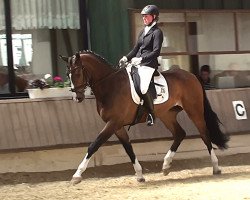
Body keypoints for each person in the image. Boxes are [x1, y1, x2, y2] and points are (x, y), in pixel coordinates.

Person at [119, 5, 163, 126]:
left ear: (154, 17)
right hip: (137, 63)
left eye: (146, 16)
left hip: (148, 65)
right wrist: (126, 57)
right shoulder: (142, 32)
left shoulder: (157, 32)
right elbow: (135, 49)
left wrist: (141, 59)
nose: (144, 18)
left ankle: (151, 114)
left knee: (143, 88)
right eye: (143, 16)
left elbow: (156, 52)